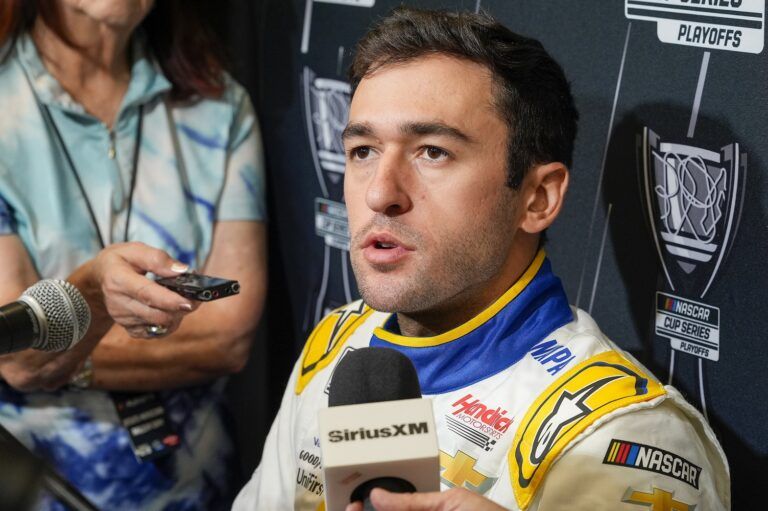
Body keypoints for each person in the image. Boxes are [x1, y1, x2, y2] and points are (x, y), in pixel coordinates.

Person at [234, 7, 730, 511]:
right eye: (363, 150)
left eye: (432, 152)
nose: (381, 193)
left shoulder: (620, 435)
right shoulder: (338, 343)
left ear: (537, 198)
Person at [0, 1, 267, 509]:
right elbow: (16, 350)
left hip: (197, 486)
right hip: (38, 486)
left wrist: (69, 355)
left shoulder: (218, 104)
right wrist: (96, 296)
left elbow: (229, 335)